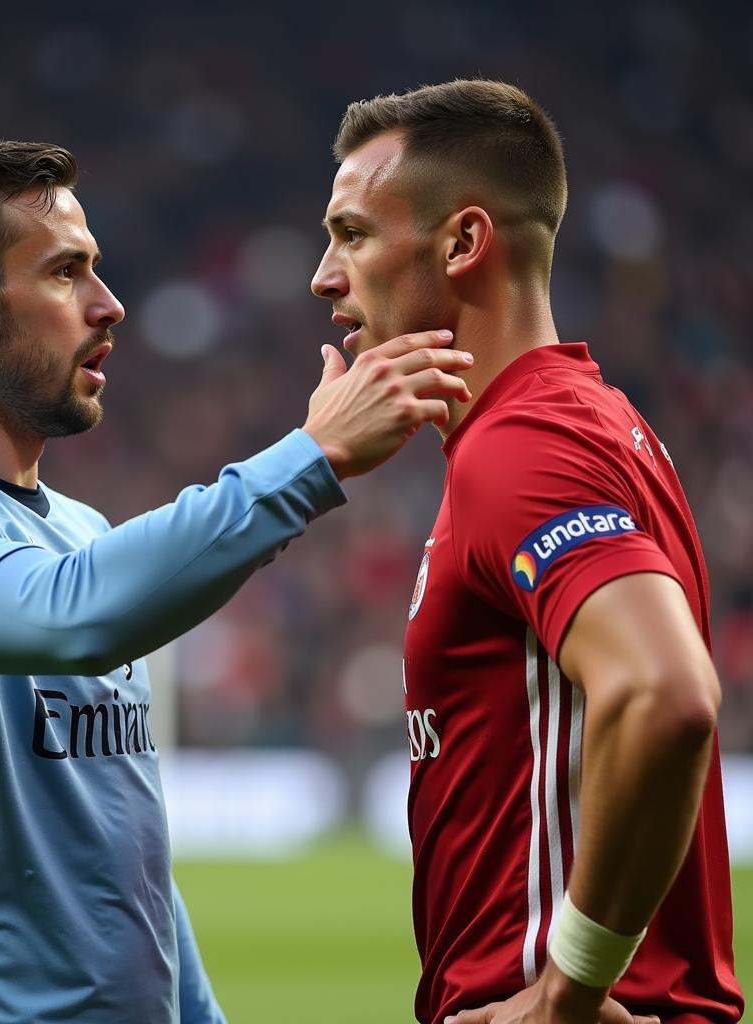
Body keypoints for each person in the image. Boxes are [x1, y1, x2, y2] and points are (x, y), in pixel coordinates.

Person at [0, 131, 473, 1024]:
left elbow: (126, 870)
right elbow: (73, 616)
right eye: (66, 273)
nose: (109, 306)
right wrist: (313, 457)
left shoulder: (78, 533)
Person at [312, 81, 744, 1024]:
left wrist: (569, 989)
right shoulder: (587, 422)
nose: (324, 275)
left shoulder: (527, 446)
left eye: (351, 234)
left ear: (464, 243)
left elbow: (666, 694)